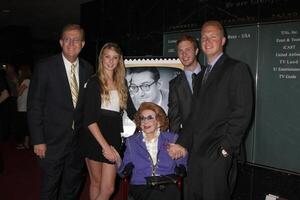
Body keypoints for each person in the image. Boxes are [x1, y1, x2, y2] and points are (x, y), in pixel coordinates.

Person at [168, 20, 253, 200]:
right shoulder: (202, 76)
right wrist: (182, 143)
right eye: (204, 37)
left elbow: (242, 113)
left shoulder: (237, 69)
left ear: (223, 40)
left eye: (213, 36)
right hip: (196, 152)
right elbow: (194, 115)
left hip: (217, 153)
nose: (207, 40)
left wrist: (225, 149)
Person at [27, 24, 93, 200]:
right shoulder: (45, 67)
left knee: (72, 187)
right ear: (61, 42)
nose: (72, 43)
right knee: (50, 187)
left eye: (76, 39)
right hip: (51, 141)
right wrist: (38, 140)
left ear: (83, 44)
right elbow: (35, 106)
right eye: (67, 39)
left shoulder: (88, 69)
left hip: (78, 143)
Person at [82, 42, 136, 200]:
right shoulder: (94, 83)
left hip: (113, 135)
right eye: (107, 57)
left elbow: (132, 111)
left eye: (115, 58)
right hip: (94, 136)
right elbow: (89, 120)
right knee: (96, 183)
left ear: (119, 60)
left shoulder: (122, 83)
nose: (111, 61)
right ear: (101, 59)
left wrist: (151, 120)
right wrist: (104, 146)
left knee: (109, 188)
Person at [114, 102, 187, 200]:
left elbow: (182, 163)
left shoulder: (172, 139)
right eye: (142, 118)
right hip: (141, 185)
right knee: (156, 196)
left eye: (150, 118)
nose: (145, 122)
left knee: (173, 192)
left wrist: (183, 155)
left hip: (166, 182)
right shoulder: (132, 142)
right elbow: (123, 172)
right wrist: (118, 161)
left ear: (159, 121)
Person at [168, 35, 203, 134]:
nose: (184, 54)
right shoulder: (174, 84)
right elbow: (174, 118)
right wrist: (174, 143)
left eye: (188, 50)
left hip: (213, 139)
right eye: (180, 51)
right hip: (189, 141)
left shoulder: (211, 74)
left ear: (196, 51)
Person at [16, 64, 31, 149]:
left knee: (22, 127)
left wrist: (15, 83)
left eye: (20, 70)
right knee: (25, 127)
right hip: (25, 107)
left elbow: (19, 93)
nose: (19, 72)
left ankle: (23, 144)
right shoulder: (28, 80)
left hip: (23, 108)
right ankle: (26, 143)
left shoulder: (25, 81)